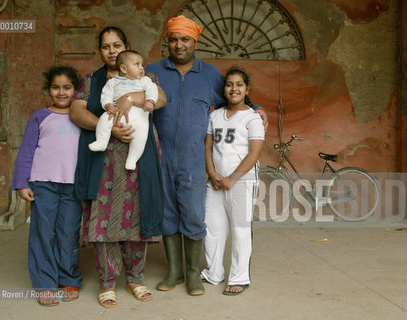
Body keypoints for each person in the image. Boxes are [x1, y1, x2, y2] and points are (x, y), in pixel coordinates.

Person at [146, 15, 267, 296]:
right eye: (174, 39)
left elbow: (233, 98)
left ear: (195, 42)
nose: (179, 45)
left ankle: (192, 273)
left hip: (195, 160)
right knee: (167, 214)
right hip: (161, 156)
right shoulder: (152, 72)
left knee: (194, 214)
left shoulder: (211, 74)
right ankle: (174, 270)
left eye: (185, 39)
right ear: (168, 41)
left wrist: (257, 108)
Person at [69, 26, 166, 308]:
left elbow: (159, 99)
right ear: (100, 51)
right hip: (105, 160)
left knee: (137, 216)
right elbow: (76, 111)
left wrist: (130, 98)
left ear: (126, 47)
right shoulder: (93, 79)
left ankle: (135, 278)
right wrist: (110, 131)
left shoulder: (144, 75)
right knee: (104, 219)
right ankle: (107, 282)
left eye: (116, 44)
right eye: (105, 46)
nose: (111, 50)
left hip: (139, 156)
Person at [11, 66, 82, 306]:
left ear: (75, 90)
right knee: (43, 233)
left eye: (66, 87)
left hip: (73, 186)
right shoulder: (39, 116)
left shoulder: (81, 116)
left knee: (68, 233)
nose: (61, 92)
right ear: (48, 89)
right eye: (55, 87)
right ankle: (45, 284)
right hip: (43, 184)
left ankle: (69, 278)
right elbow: (27, 151)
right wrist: (22, 183)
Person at [200, 67, 264, 296]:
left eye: (239, 84)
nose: (234, 88)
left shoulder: (252, 118)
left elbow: (254, 153)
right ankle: (213, 272)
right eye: (229, 84)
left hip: (241, 181)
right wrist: (211, 172)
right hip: (216, 181)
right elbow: (208, 146)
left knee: (240, 229)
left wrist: (232, 178)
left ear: (247, 89)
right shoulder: (214, 115)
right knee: (212, 227)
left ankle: (239, 276)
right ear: (224, 88)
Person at [89, 50, 158, 171]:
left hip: (139, 118)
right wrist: (107, 105)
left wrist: (150, 101)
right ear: (124, 68)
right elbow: (105, 94)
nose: (141, 68)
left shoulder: (145, 81)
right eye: (137, 64)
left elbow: (153, 90)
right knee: (104, 120)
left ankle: (132, 159)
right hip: (116, 114)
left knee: (140, 137)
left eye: (142, 64)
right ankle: (101, 141)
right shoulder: (113, 82)